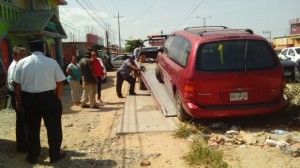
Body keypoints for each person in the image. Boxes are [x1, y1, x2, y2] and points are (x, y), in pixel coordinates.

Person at [13, 40, 66, 164]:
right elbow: (60, 82)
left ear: (30, 50)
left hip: (29, 100)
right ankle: (54, 154)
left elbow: (17, 84)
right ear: (44, 49)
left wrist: (19, 100)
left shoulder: (21, 63)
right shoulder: (52, 62)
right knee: (54, 128)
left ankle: (32, 156)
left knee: (31, 129)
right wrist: (57, 98)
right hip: (49, 99)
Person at [6, 45, 27, 153]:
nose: (24, 56)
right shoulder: (16, 66)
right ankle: (23, 146)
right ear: (14, 56)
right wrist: (19, 100)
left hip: (17, 94)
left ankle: (23, 144)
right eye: (21, 54)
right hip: (17, 94)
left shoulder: (18, 64)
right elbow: (15, 84)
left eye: (24, 53)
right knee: (22, 121)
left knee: (22, 121)